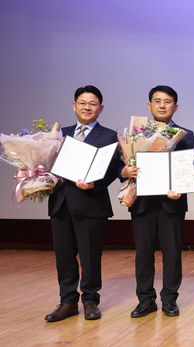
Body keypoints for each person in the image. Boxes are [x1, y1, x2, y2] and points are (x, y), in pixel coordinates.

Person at [45, 85, 121, 322]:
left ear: (100, 108)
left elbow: (112, 171)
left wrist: (95, 185)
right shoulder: (59, 134)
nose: (87, 107)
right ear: (74, 105)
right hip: (61, 203)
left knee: (90, 256)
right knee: (64, 257)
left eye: (92, 104)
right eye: (82, 103)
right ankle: (67, 302)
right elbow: (47, 164)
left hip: (91, 203)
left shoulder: (109, 135)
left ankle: (90, 301)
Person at [121, 85, 194, 318]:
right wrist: (125, 171)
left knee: (172, 252)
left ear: (176, 106)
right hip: (142, 202)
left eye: (167, 101)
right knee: (143, 253)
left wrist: (180, 189)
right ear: (149, 106)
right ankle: (145, 299)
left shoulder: (185, 135)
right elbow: (121, 166)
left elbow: (189, 167)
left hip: (170, 202)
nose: (162, 105)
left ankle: (169, 299)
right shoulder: (135, 135)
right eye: (157, 101)